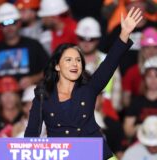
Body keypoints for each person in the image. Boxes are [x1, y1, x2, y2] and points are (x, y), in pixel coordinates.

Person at [24, 7, 142, 160]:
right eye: (69, 60)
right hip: (63, 156)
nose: (75, 64)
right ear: (57, 66)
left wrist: (124, 34)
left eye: (78, 60)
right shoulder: (42, 95)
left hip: (96, 154)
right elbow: (31, 134)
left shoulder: (89, 89)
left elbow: (110, 63)